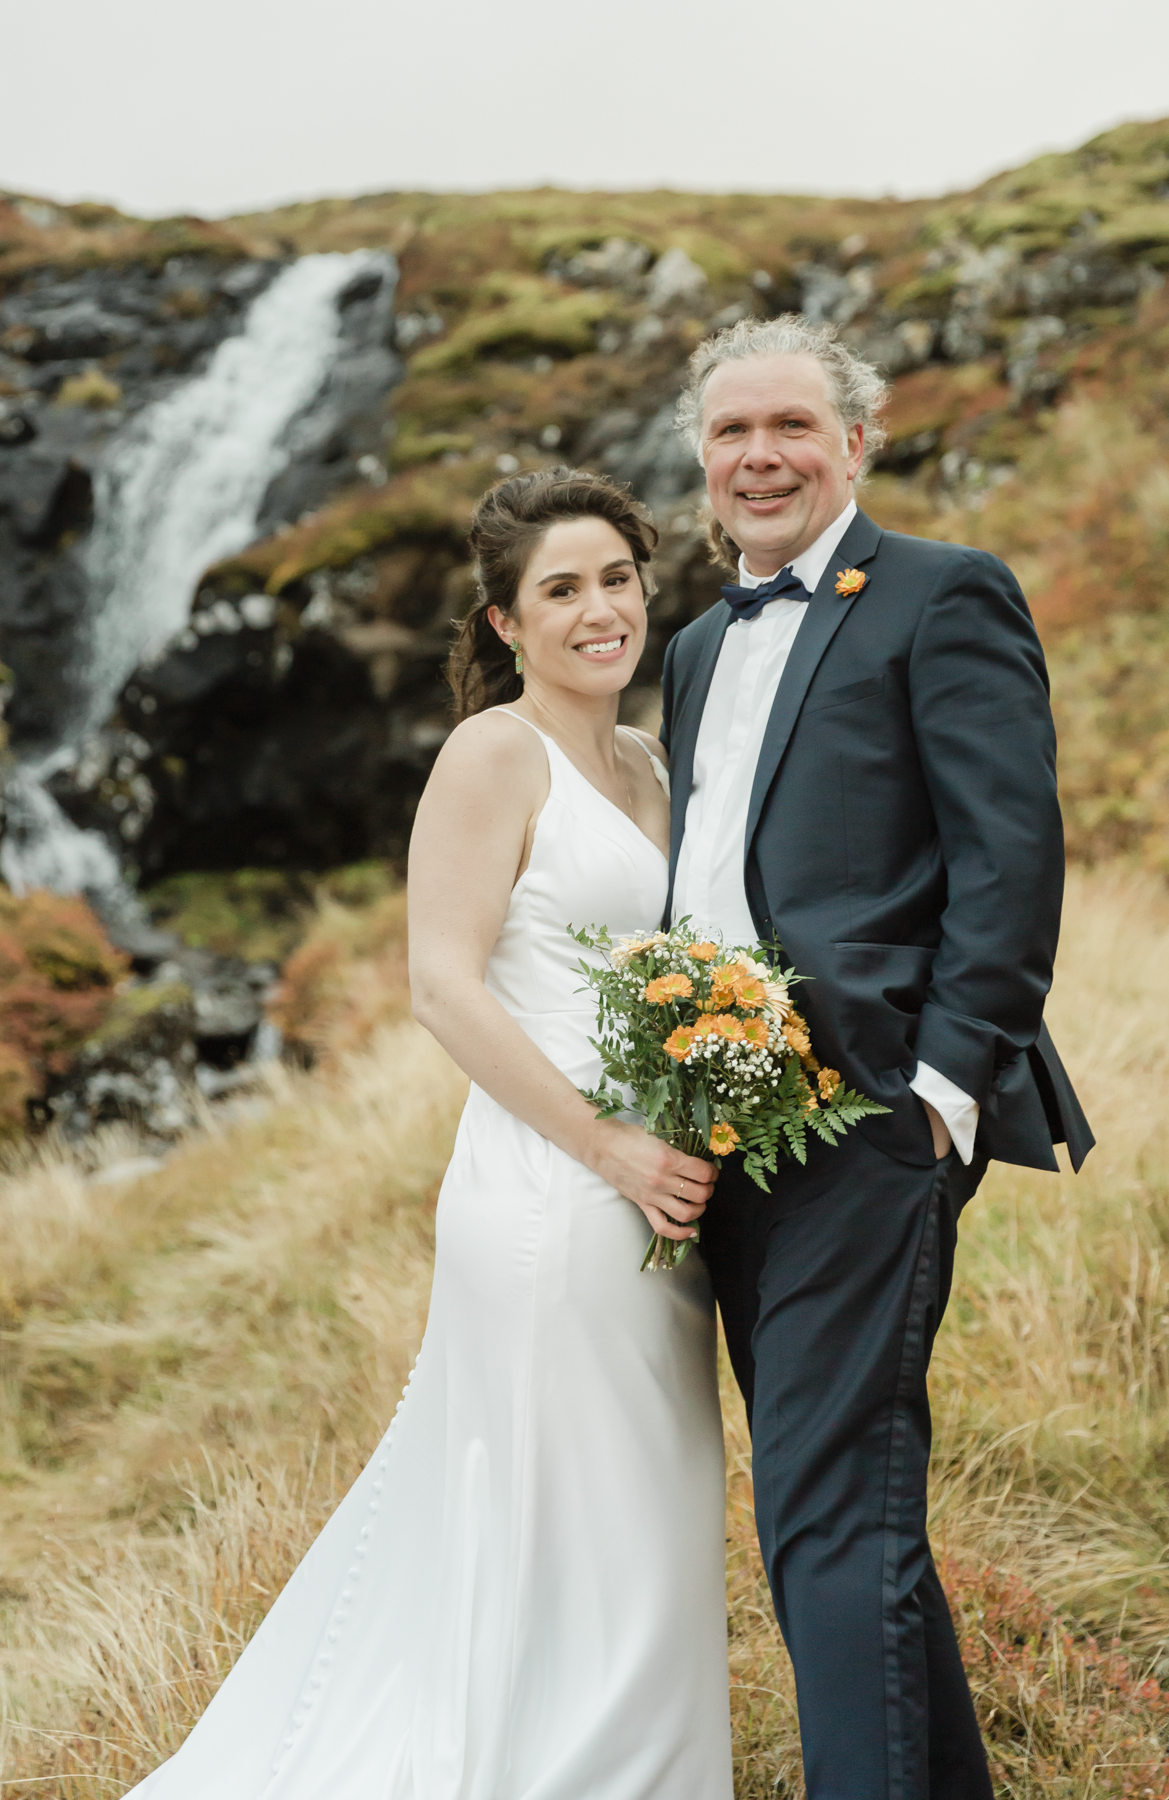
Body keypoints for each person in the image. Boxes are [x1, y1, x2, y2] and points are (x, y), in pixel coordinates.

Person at [121, 469, 735, 1800]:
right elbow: (443, 985)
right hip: (554, 1185)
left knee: (648, 1524)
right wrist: (609, 1149)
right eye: (560, 591)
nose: (598, 610)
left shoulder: (652, 762)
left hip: (661, 1192)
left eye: (616, 579)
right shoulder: (492, 756)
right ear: (508, 624)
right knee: (564, 1516)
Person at [660, 313, 1095, 1800]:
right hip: (725, 1135)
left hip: (870, 1117)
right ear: (701, 459)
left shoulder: (942, 595)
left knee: (827, 1513)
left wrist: (946, 1091)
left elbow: (1012, 852)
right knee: (835, 1517)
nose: (760, 455)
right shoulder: (699, 646)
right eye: (732, 432)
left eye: (790, 426)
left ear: (858, 441)